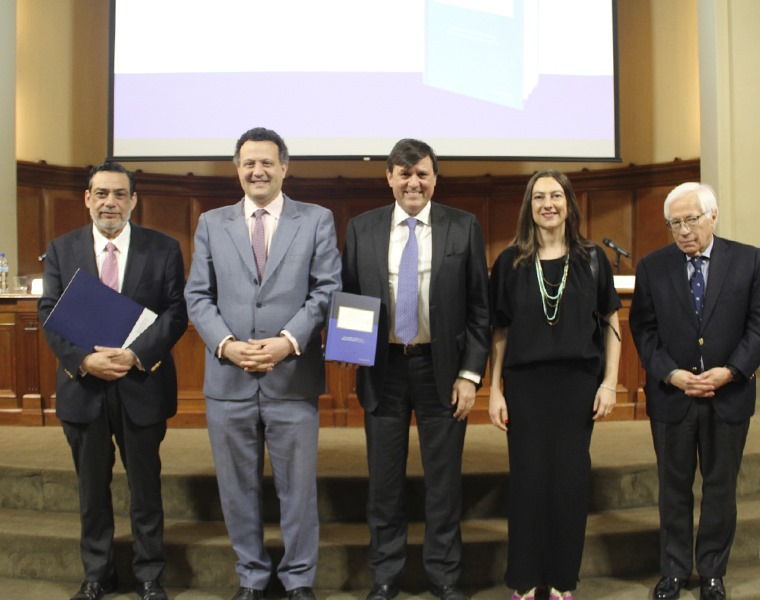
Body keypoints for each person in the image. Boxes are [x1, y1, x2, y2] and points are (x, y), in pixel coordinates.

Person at [184, 127, 341, 600]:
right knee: (237, 489)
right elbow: (197, 295)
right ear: (237, 169)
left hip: (291, 377)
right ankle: (252, 576)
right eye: (249, 163)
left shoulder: (316, 220)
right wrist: (227, 345)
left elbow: (326, 289)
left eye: (267, 163)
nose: (258, 171)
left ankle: (298, 580)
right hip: (228, 379)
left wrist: (287, 341)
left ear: (284, 168)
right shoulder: (212, 222)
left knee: (298, 491)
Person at [342, 138, 490, 600]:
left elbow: (479, 312)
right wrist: (350, 346)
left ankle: (444, 577)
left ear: (434, 179)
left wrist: (469, 376)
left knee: (443, 484)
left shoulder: (462, 227)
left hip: (440, 371)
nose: (413, 182)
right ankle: (385, 576)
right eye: (404, 173)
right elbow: (349, 294)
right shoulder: (361, 229)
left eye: (422, 173)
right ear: (388, 177)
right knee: (383, 484)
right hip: (383, 369)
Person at [38, 162, 188, 600]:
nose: (110, 202)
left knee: (145, 487)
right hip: (83, 387)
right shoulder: (62, 249)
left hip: (141, 384)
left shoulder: (162, 248)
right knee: (91, 490)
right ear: (87, 198)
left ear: (133, 201)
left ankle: (149, 574)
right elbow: (48, 312)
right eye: (101, 193)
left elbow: (175, 312)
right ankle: (97, 574)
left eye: (120, 194)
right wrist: (85, 360)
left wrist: (135, 355)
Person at [629, 182, 760, 600]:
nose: (684, 231)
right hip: (673, 396)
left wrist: (732, 371)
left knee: (720, 486)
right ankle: (673, 571)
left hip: (728, 395)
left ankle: (712, 570)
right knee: (673, 487)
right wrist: (670, 374)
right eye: (675, 223)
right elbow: (644, 328)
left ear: (713, 216)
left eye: (691, 220)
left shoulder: (748, 260)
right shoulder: (653, 266)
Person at [487, 170, 621, 600]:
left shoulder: (592, 258)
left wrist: (610, 383)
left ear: (569, 204)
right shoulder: (509, 262)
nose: (548, 203)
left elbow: (612, 323)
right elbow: (500, 331)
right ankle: (525, 581)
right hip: (525, 386)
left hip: (577, 387)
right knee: (527, 483)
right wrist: (494, 389)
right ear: (529, 205)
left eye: (556, 196)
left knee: (568, 484)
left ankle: (563, 582)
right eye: (539, 196)